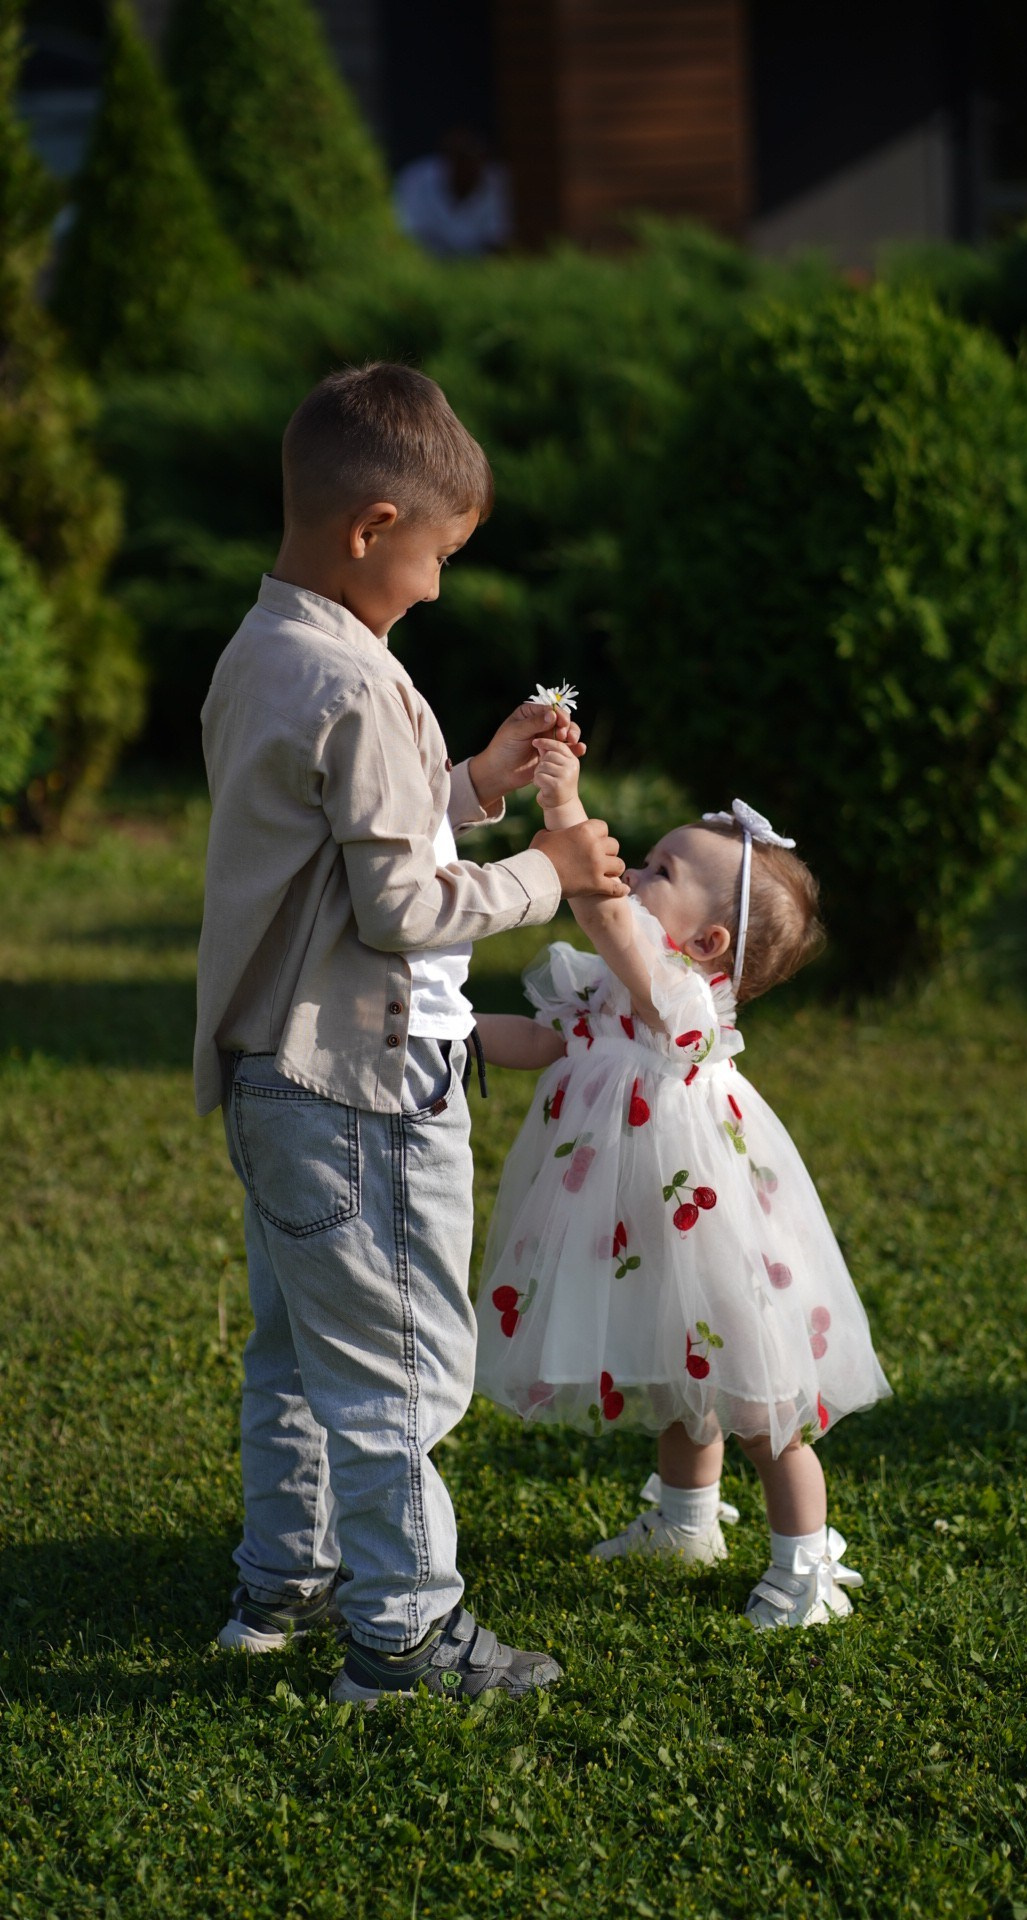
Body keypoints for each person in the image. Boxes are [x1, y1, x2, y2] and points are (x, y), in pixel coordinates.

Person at [194, 363, 626, 1703]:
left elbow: (343, 840)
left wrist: (476, 785)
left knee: (298, 1349)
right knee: (396, 1369)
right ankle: (400, 1638)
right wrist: (551, 872)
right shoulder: (366, 688)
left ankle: (288, 1579)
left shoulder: (263, 652)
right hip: (367, 1089)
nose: (440, 586)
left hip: (278, 1078)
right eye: (437, 556)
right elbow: (400, 908)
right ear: (373, 530)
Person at [473, 738, 891, 1629]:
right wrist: (458, 1033)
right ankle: (686, 1519)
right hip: (636, 1214)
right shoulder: (620, 992)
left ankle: (805, 1567)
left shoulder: (682, 999)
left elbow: (604, 918)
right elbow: (548, 1043)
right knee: (681, 1364)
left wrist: (564, 816)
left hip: (705, 1215)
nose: (635, 876)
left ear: (706, 944)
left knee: (757, 1395)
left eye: (658, 870)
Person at [394, 126, 511, 257]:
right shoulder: (415, 178)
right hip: (425, 266)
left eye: (473, 157)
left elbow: (500, 241)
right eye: (460, 157)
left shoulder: (498, 180)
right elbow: (406, 238)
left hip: (481, 270)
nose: (467, 165)